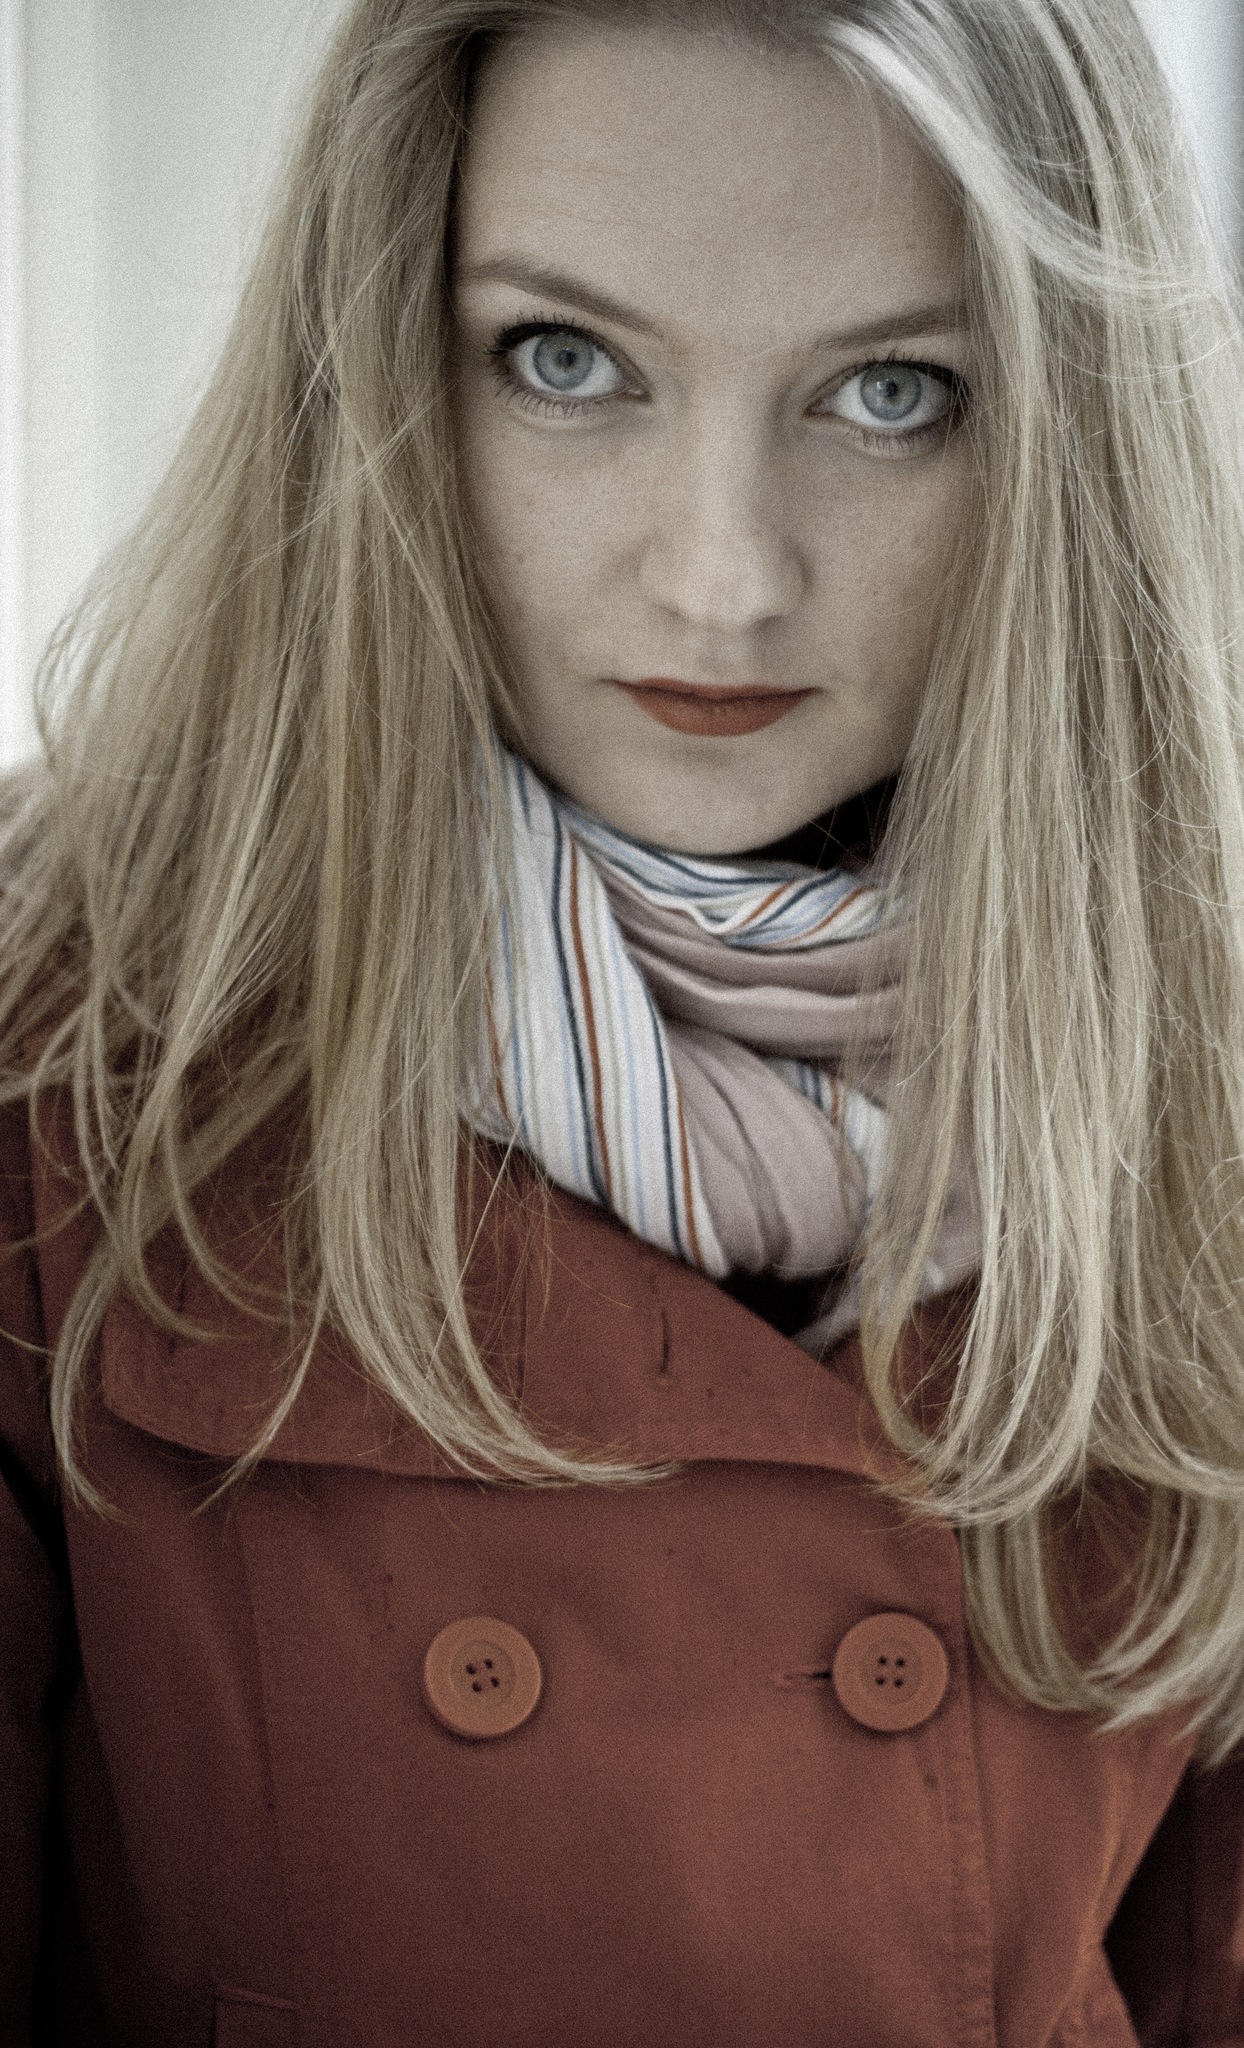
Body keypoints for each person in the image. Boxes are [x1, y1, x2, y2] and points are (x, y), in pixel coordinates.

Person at [3, 0, 1243, 2039]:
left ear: (1064, 431)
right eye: (567, 361)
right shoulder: (55, 1059)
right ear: (376, 363)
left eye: (892, 392)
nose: (721, 577)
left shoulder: (1182, 1072)